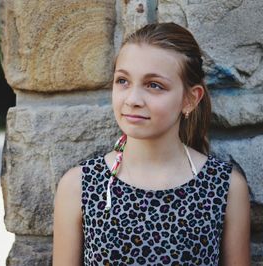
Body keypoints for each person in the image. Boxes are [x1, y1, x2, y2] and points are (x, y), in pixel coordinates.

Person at [53, 23, 250, 265]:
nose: (133, 99)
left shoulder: (225, 187)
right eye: (123, 81)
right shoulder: (79, 185)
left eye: (154, 85)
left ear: (190, 99)